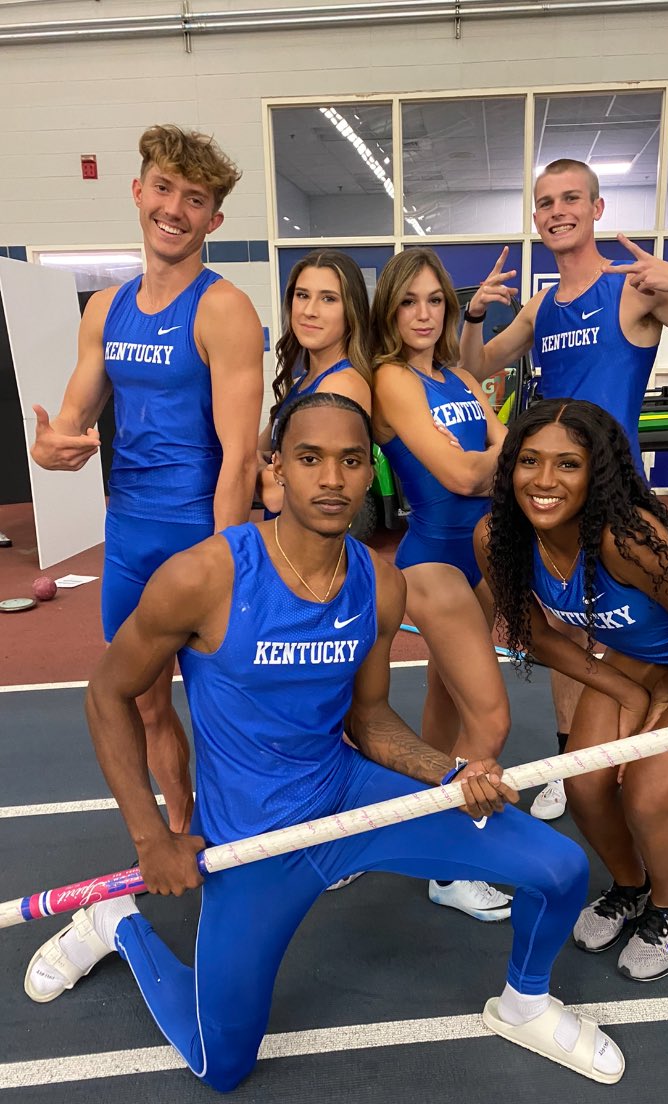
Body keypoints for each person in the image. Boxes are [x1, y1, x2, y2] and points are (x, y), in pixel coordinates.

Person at [22, 393, 625, 1091]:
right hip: (253, 838)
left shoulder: (379, 583)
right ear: (277, 469)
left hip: (347, 799)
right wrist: (151, 836)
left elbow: (369, 719)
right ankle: (116, 924)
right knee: (222, 1066)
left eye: (350, 461)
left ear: (370, 473)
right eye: (310, 459)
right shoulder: (205, 577)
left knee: (560, 868)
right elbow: (107, 694)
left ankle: (524, 1004)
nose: (332, 479)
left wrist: (449, 774)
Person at [459, 157, 668, 818]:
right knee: (568, 631)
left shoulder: (635, 290)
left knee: (637, 625)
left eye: (571, 199)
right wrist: (473, 314)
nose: (557, 211)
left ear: (596, 209)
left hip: (617, 500)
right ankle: (574, 762)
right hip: (551, 495)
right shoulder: (541, 306)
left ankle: (650, 745)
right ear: (536, 218)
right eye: (545, 203)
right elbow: (476, 367)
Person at [476, 398, 668, 981]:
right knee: (584, 783)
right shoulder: (498, 536)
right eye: (529, 460)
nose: (544, 481)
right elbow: (535, 634)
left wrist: (663, 695)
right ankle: (630, 886)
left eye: (568, 464)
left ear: (598, 473)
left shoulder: (630, 538)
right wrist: (625, 689)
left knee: (646, 795)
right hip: (642, 654)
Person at [29, 125, 264, 834]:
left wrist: (224, 557)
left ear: (213, 219)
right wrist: (50, 449)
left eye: (195, 199)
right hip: (130, 537)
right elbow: (72, 419)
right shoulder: (105, 310)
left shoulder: (224, 308)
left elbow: (240, 457)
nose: (174, 209)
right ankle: (183, 831)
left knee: (225, 704)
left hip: (200, 533)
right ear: (138, 192)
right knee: (146, 703)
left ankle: (251, 831)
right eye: (164, 188)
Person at [371, 248, 512, 922]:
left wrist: (490, 458)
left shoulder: (458, 375)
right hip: (432, 558)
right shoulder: (392, 379)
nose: (423, 314)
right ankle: (447, 859)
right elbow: (461, 476)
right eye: (409, 301)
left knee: (446, 692)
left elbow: (509, 452)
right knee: (491, 717)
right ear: (390, 310)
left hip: (484, 553)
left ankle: (422, 813)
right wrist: (491, 459)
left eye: (434, 300)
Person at [257, 249, 372, 518]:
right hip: (286, 536)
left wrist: (255, 469)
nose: (309, 311)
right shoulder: (302, 383)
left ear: (351, 311)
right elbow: (259, 450)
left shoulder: (343, 386)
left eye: (328, 299)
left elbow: (277, 494)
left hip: (308, 540)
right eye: (302, 295)